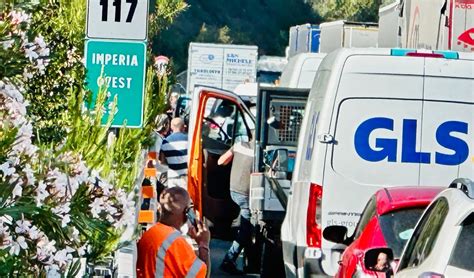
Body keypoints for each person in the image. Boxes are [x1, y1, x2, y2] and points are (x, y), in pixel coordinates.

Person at [136, 187, 211, 277]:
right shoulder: (175, 242)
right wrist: (203, 243)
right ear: (186, 212)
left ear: (160, 208)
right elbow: (203, 274)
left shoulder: (151, 233)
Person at [218, 136, 254, 274]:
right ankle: (228, 260)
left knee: (244, 218)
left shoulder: (239, 145)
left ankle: (237, 227)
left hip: (233, 191)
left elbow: (221, 161)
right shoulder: (261, 151)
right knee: (247, 230)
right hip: (246, 194)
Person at [161, 118, 188, 189]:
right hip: (186, 176)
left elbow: (162, 161)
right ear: (183, 127)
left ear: (171, 127)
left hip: (172, 176)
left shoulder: (165, 142)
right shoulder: (189, 139)